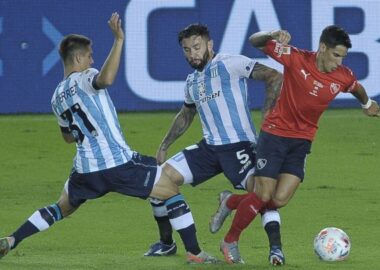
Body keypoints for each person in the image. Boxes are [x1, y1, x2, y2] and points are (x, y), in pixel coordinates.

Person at [0, 13, 219, 264]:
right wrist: (118, 40)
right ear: (79, 57)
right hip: (116, 163)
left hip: (85, 170)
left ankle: (13, 239)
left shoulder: (56, 97)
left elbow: (68, 138)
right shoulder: (85, 78)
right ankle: (195, 253)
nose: (93, 59)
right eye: (90, 55)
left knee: (60, 208)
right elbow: (105, 79)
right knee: (171, 190)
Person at [209, 25, 380, 264]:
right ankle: (230, 240)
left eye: (342, 57)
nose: (339, 61)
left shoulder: (342, 76)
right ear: (322, 48)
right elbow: (254, 41)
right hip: (275, 135)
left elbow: (356, 88)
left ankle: (231, 201)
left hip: (301, 143)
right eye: (336, 55)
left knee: (278, 200)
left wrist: (366, 104)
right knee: (263, 194)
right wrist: (271, 34)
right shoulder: (295, 58)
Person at [143, 23, 285, 265]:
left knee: (264, 195)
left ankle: (275, 249)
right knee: (159, 182)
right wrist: (164, 145)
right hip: (209, 149)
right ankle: (167, 244)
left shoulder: (230, 63)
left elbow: (275, 75)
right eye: (187, 50)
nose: (192, 54)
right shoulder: (191, 81)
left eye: (196, 47)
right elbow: (186, 114)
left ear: (209, 44)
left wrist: (268, 121)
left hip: (240, 146)